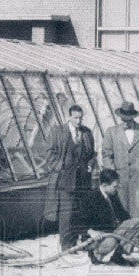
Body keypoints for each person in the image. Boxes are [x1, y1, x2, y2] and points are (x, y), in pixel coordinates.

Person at [43, 104, 96, 251]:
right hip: (65, 180)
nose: (79, 121)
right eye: (76, 118)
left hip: (83, 179)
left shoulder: (87, 133)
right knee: (66, 213)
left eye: (81, 118)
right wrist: (60, 168)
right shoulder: (58, 131)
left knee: (81, 211)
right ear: (69, 117)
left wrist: (91, 164)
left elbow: (92, 154)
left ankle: (82, 243)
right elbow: (49, 154)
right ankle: (67, 246)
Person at [101, 101, 139, 217]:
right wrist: (111, 174)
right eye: (123, 118)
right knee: (121, 209)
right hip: (119, 179)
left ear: (133, 117)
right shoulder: (111, 132)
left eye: (128, 118)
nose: (125, 121)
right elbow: (106, 154)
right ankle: (123, 233)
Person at [84, 169, 139, 266]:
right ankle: (96, 255)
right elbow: (75, 222)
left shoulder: (113, 194)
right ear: (104, 185)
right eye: (115, 186)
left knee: (137, 222)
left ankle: (118, 255)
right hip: (99, 240)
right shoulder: (91, 197)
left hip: (113, 234)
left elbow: (123, 215)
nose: (117, 189)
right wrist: (91, 232)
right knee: (113, 240)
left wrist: (138, 232)